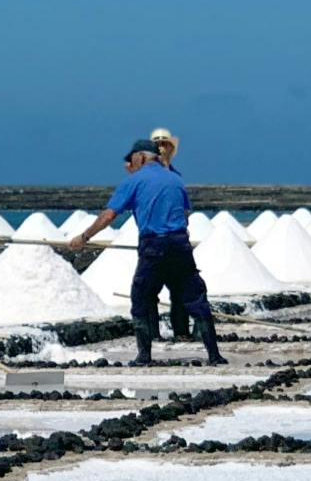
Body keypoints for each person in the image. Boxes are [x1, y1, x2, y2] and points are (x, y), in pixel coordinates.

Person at [69, 127, 224, 366]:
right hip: (181, 245)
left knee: (141, 296)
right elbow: (185, 213)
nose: (129, 165)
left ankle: (144, 356)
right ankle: (214, 355)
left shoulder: (134, 181)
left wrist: (84, 237)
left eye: (131, 159)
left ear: (141, 157)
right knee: (195, 298)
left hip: (154, 246)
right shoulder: (175, 179)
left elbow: (109, 215)